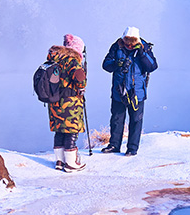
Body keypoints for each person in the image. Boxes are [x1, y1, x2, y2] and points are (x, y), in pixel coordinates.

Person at [101, 26, 159, 156]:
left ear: (137, 41)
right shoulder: (116, 46)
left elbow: (152, 66)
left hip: (136, 92)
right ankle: (114, 145)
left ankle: (132, 148)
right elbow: (106, 65)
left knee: (136, 120)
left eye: (132, 44)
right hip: (119, 91)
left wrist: (142, 54)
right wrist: (116, 64)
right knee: (116, 119)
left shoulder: (144, 48)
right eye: (127, 43)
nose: (129, 46)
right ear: (123, 40)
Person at [47, 33, 88, 172]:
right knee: (71, 130)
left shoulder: (56, 59)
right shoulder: (72, 60)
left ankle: (60, 161)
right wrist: (82, 86)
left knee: (60, 130)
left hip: (55, 101)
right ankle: (71, 163)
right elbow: (79, 77)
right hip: (70, 103)